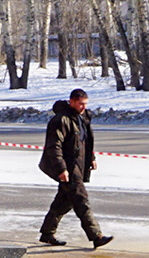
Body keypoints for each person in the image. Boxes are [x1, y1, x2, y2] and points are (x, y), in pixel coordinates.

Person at [39, 88, 112, 249]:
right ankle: (96, 236)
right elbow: (54, 147)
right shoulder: (60, 120)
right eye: (80, 104)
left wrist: (91, 158)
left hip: (79, 165)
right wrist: (61, 169)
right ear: (71, 102)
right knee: (81, 200)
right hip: (68, 167)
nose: (83, 107)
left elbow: (85, 141)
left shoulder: (83, 117)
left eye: (85, 104)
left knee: (63, 202)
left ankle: (47, 233)